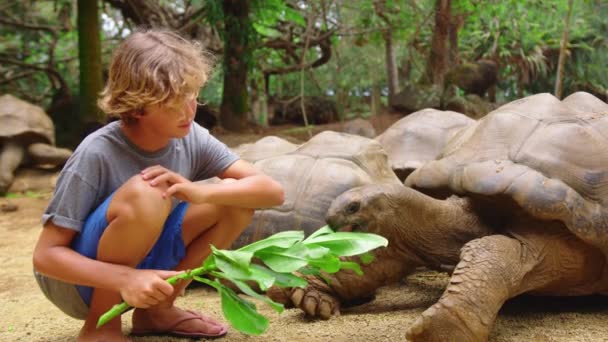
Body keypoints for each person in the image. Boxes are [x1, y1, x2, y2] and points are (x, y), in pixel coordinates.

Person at [32, 29, 284, 342]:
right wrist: (125, 277)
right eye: (173, 103)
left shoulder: (192, 136)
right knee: (149, 191)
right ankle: (100, 326)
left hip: (146, 271)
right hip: (80, 283)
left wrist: (201, 191)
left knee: (234, 199)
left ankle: (157, 311)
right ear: (137, 106)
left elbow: (271, 192)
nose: (189, 111)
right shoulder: (96, 152)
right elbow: (45, 257)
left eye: (191, 96)